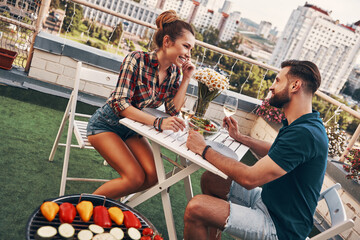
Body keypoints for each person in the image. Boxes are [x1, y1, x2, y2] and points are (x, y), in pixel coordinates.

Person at [184, 60, 328, 240]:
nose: (271, 87)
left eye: (277, 80)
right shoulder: (303, 123)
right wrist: (240, 137)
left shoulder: (306, 134)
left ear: (295, 85)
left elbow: (249, 178)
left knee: (196, 208)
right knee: (212, 179)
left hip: (281, 228)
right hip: (268, 202)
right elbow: (277, 152)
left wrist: (203, 149)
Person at [86, 10, 196, 199]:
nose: (188, 54)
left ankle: (110, 204)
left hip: (134, 130)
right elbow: (120, 104)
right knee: (135, 178)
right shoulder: (136, 59)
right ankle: (82, 208)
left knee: (153, 177)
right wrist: (157, 122)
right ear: (167, 41)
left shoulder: (174, 73)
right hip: (106, 125)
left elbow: (173, 110)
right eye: (186, 46)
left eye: (191, 49)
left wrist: (186, 78)